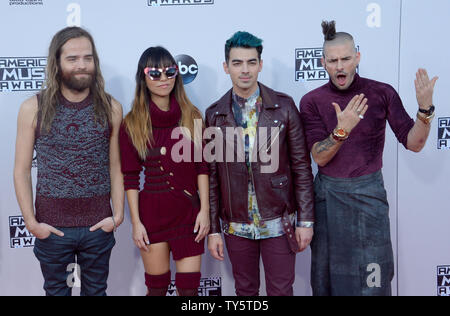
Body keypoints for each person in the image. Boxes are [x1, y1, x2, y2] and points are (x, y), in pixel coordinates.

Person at [299, 20, 438, 296]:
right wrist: (342, 131)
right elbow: (320, 157)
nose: (340, 66)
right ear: (323, 62)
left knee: (373, 280)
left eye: (346, 59)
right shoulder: (311, 101)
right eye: (333, 60)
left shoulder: (381, 92)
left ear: (357, 57)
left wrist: (424, 110)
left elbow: (414, 143)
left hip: (369, 200)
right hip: (328, 201)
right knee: (327, 282)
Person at [13, 26, 124, 296]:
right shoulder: (33, 108)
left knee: (96, 292)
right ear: (57, 62)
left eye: (88, 58)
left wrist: (118, 216)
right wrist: (31, 222)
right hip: (52, 229)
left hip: (98, 226)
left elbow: (116, 166)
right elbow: (22, 169)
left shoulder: (111, 107)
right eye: (73, 59)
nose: (82, 65)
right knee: (56, 293)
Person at [205, 31, 315, 296]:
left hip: (279, 221)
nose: (245, 70)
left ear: (260, 65)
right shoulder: (214, 114)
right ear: (226, 67)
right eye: (237, 63)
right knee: (245, 291)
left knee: (280, 290)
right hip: (236, 225)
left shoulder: (285, 107)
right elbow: (211, 178)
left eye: (251, 62)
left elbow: (301, 167)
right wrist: (213, 230)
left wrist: (306, 221)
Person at [119, 46, 210, 296]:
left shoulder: (192, 116)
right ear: (143, 77)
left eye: (170, 72)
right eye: (154, 73)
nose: (164, 79)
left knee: (189, 292)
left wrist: (205, 211)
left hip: (188, 215)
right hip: (153, 216)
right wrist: (136, 223)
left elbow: (202, 167)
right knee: (157, 290)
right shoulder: (132, 123)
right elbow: (130, 178)